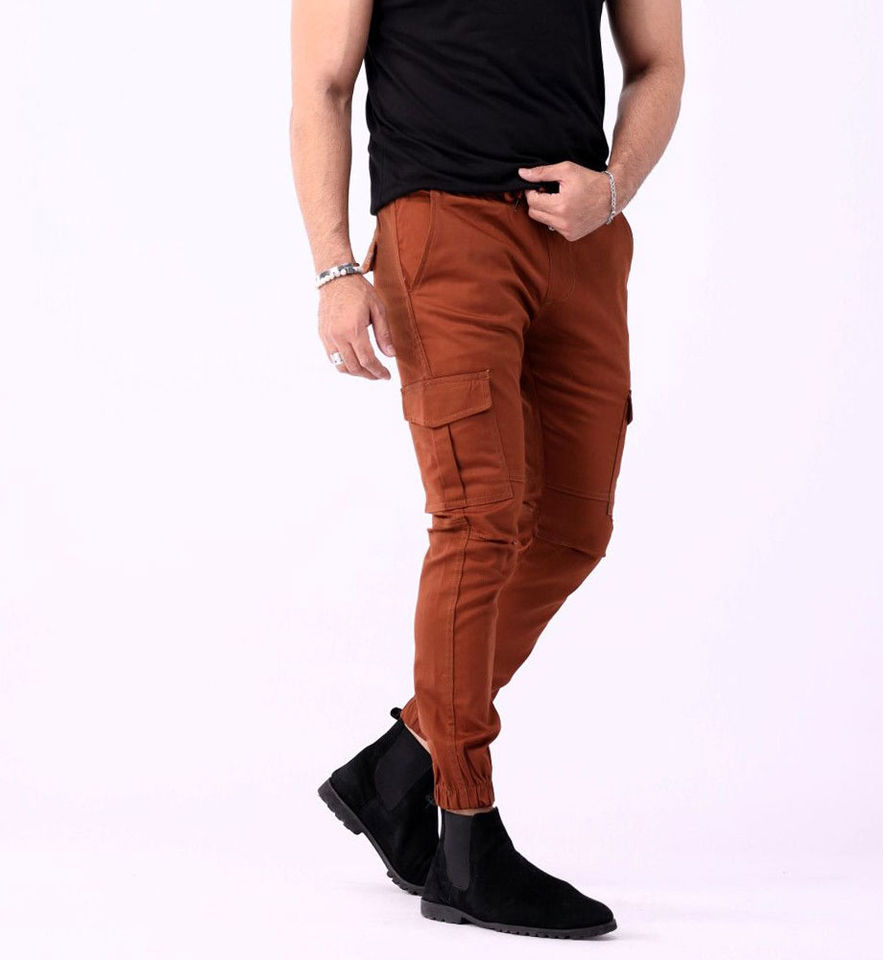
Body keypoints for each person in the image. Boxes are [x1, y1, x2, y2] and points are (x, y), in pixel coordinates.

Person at [290, 0, 684, 938]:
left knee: (573, 528)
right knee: (477, 522)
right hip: (445, 230)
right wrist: (336, 270)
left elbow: (659, 62)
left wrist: (614, 188)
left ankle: (401, 763)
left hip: (581, 242)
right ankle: (463, 839)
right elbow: (323, 85)